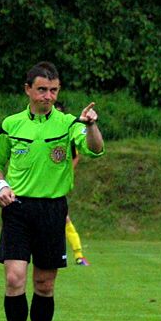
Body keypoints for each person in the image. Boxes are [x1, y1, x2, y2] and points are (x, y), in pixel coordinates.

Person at [0, 61, 104, 321]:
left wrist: (91, 125)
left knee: (44, 283)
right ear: (28, 89)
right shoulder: (11, 124)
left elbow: (94, 149)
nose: (47, 96)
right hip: (17, 209)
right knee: (14, 278)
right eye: (41, 89)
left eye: (53, 90)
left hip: (52, 210)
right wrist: (1, 185)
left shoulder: (68, 124)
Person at [55, 101, 91, 267]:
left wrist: (68, 170)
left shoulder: (69, 132)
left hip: (58, 185)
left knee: (64, 219)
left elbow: (77, 155)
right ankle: (78, 255)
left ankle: (78, 255)